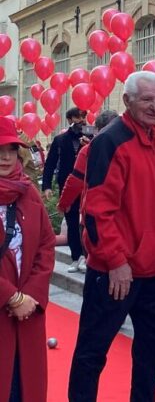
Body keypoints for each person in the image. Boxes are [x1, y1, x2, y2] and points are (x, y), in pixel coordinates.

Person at [68, 72, 155, 402]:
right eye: (147, 99)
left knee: (152, 348)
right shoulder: (111, 141)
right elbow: (96, 209)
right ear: (127, 101)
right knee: (92, 352)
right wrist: (116, 260)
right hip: (115, 272)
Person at [0, 118, 55, 402]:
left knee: (25, 386)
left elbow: (46, 244)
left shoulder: (27, 192)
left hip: (28, 312)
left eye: (11, 149)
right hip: (5, 307)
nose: (6, 157)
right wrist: (12, 297)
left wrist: (31, 296)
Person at [42, 107, 88, 273]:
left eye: (83, 117)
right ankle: (77, 257)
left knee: (89, 221)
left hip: (89, 187)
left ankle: (88, 256)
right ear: (70, 120)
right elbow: (50, 163)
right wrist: (46, 186)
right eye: (77, 117)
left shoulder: (95, 137)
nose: (81, 120)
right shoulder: (60, 139)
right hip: (67, 187)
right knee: (71, 221)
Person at [57, 111, 120, 215]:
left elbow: (76, 180)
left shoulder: (89, 150)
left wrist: (64, 203)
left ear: (98, 130)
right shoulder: (132, 148)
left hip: (97, 211)